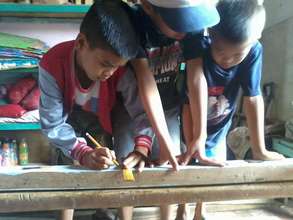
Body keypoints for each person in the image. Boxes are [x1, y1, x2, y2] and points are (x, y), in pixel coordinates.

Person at [112, 1, 221, 220]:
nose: (185, 29)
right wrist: (159, 138)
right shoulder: (132, 23)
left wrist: (200, 136)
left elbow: (196, 75)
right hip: (130, 108)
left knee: (170, 163)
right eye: (178, 22)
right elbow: (145, 80)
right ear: (148, 6)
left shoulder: (192, 24)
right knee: (126, 166)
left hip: (169, 105)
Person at [38, 1, 146, 219]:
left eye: (117, 66)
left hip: (101, 120)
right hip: (67, 119)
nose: (110, 72)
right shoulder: (51, 63)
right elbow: (52, 123)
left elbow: (141, 111)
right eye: (105, 63)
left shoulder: (118, 70)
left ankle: (104, 211)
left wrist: (142, 146)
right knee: (69, 168)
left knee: (106, 162)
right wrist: (82, 152)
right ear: (81, 42)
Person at [180, 0, 285, 219]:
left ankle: (201, 211)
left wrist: (259, 149)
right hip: (190, 116)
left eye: (236, 55)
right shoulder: (198, 39)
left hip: (220, 124)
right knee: (187, 166)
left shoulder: (254, 51)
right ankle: (183, 208)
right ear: (211, 34)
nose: (226, 60)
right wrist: (197, 136)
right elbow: (194, 84)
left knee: (212, 169)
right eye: (219, 51)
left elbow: (253, 98)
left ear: (255, 40)